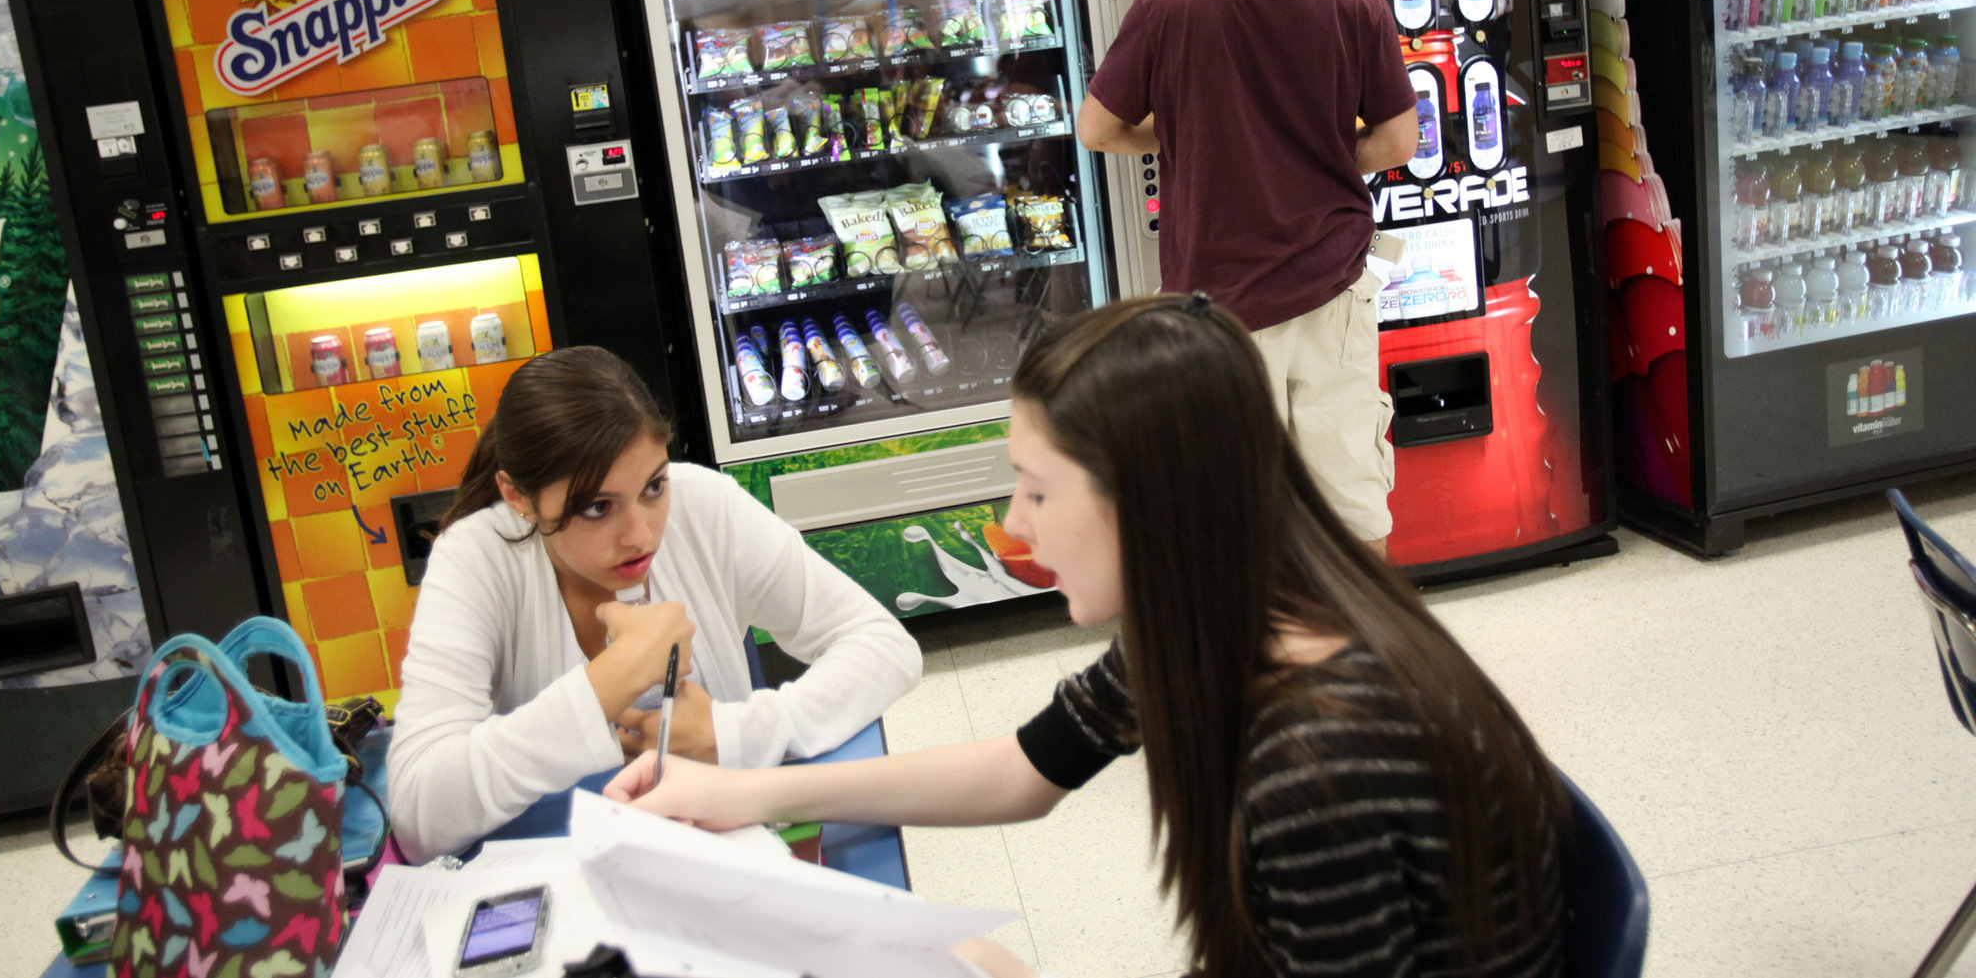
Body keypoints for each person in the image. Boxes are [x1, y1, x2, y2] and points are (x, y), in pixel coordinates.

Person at [609, 296, 1567, 978]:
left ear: (1148, 501)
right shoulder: (1236, 609)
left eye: (1036, 487)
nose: (1015, 527)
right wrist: (737, 792)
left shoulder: (1314, 769)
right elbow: (1026, 769)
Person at [387, 345, 921, 863]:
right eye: (598, 507)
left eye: (653, 486)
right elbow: (418, 814)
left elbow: (885, 647)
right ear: (518, 498)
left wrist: (733, 734)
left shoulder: (705, 506)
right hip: (561, 885)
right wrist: (608, 682)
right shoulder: (476, 558)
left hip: (727, 863)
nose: (641, 535)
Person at [1078, 0, 1418, 551]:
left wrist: (1192, 132)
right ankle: (1357, 660)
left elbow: (1097, 129)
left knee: (1232, 516)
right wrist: (1331, 151)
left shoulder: (1167, 5)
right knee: (1350, 508)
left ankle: (1249, 663)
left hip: (1216, 307)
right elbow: (1398, 139)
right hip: (1331, 289)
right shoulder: (1351, 1)